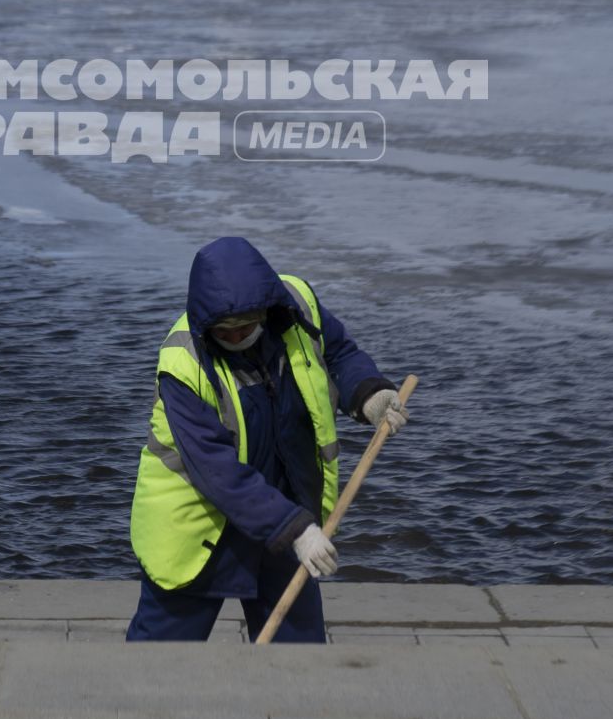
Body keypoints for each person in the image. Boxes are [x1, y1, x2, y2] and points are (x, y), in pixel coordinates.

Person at [126, 236, 407, 643]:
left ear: (268, 310)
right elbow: (219, 473)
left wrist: (369, 395)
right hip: (202, 531)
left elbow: (340, 352)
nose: (238, 336)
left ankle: (288, 705)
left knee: (298, 654)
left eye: (247, 326)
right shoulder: (182, 366)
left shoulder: (298, 304)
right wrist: (298, 530)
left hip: (284, 515)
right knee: (159, 658)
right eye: (227, 331)